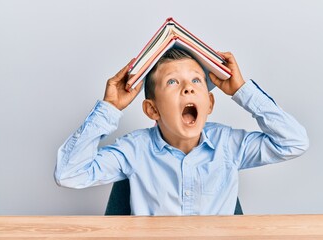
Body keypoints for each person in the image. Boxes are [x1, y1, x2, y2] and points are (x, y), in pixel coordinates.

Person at [55, 48, 309, 215]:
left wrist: (242, 90)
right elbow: (69, 174)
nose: (188, 88)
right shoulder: (134, 150)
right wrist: (109, 108)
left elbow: (294, 142)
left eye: (196, 81)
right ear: (152, 110)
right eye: (173, 82)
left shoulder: (228, 144)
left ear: (209, 103)